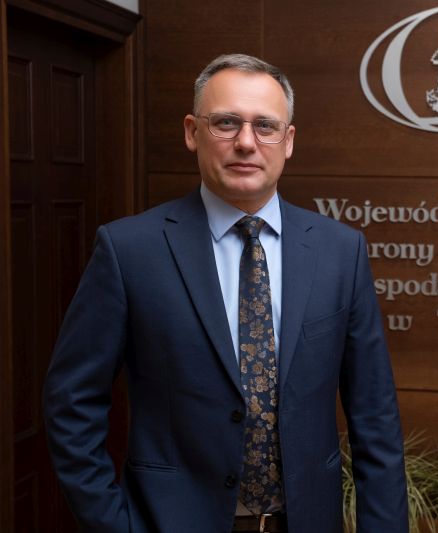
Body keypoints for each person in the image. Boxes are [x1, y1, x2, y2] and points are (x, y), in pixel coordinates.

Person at [43, 53, 408, 533]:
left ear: (288, 141)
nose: (246, 142)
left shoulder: (341, 251)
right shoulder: (128, 250)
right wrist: (114, 525)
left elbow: (375, 417)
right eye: (226, 122)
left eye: (265, 126)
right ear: (192, 132)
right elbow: (72, 403)